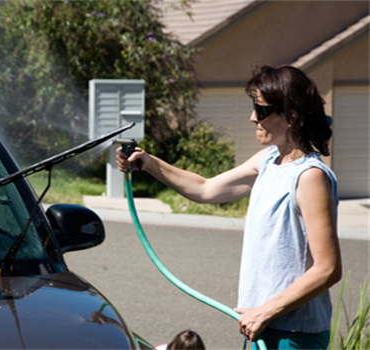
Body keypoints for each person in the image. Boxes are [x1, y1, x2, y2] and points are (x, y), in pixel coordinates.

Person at [116, 65, 342, 349]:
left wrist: (266, 310)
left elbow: (328, 269)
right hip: (262, 325)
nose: (252, 118)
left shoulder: (310, 176)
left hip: (293, 334)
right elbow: (205, 188)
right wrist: (148, 162)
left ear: (291, 117)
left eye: (261, 110)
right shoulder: (268, 160)